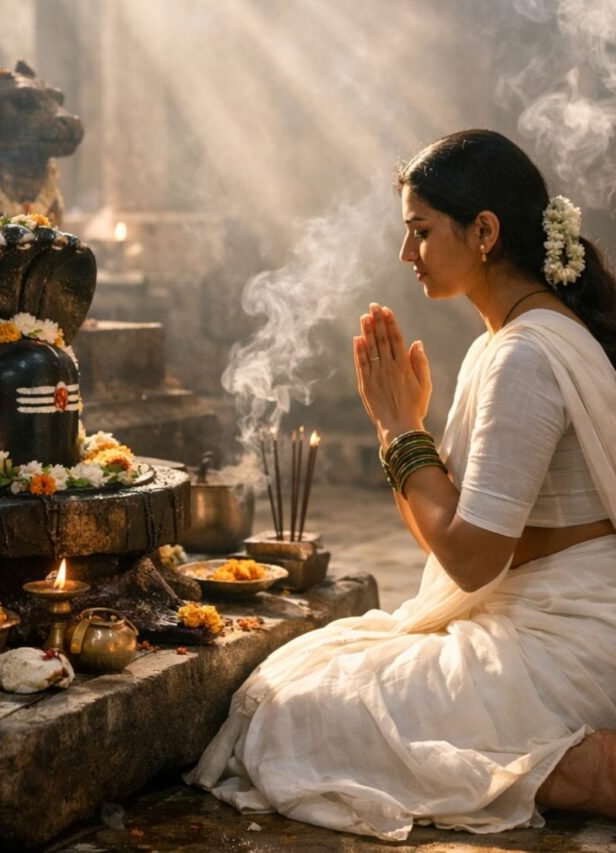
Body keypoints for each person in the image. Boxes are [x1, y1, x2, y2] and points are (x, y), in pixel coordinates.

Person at [188, 129, 616, 841]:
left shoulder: (524, 356)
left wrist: (399, 429)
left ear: (484, 231)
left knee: (303, 714)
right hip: (549, 613)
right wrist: (402, 431)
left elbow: (473, 559)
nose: (405, 254)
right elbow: (443, 535)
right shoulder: (508, 340)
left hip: (573, 635)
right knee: (307, 682)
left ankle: (592, 766)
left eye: (420, 231)